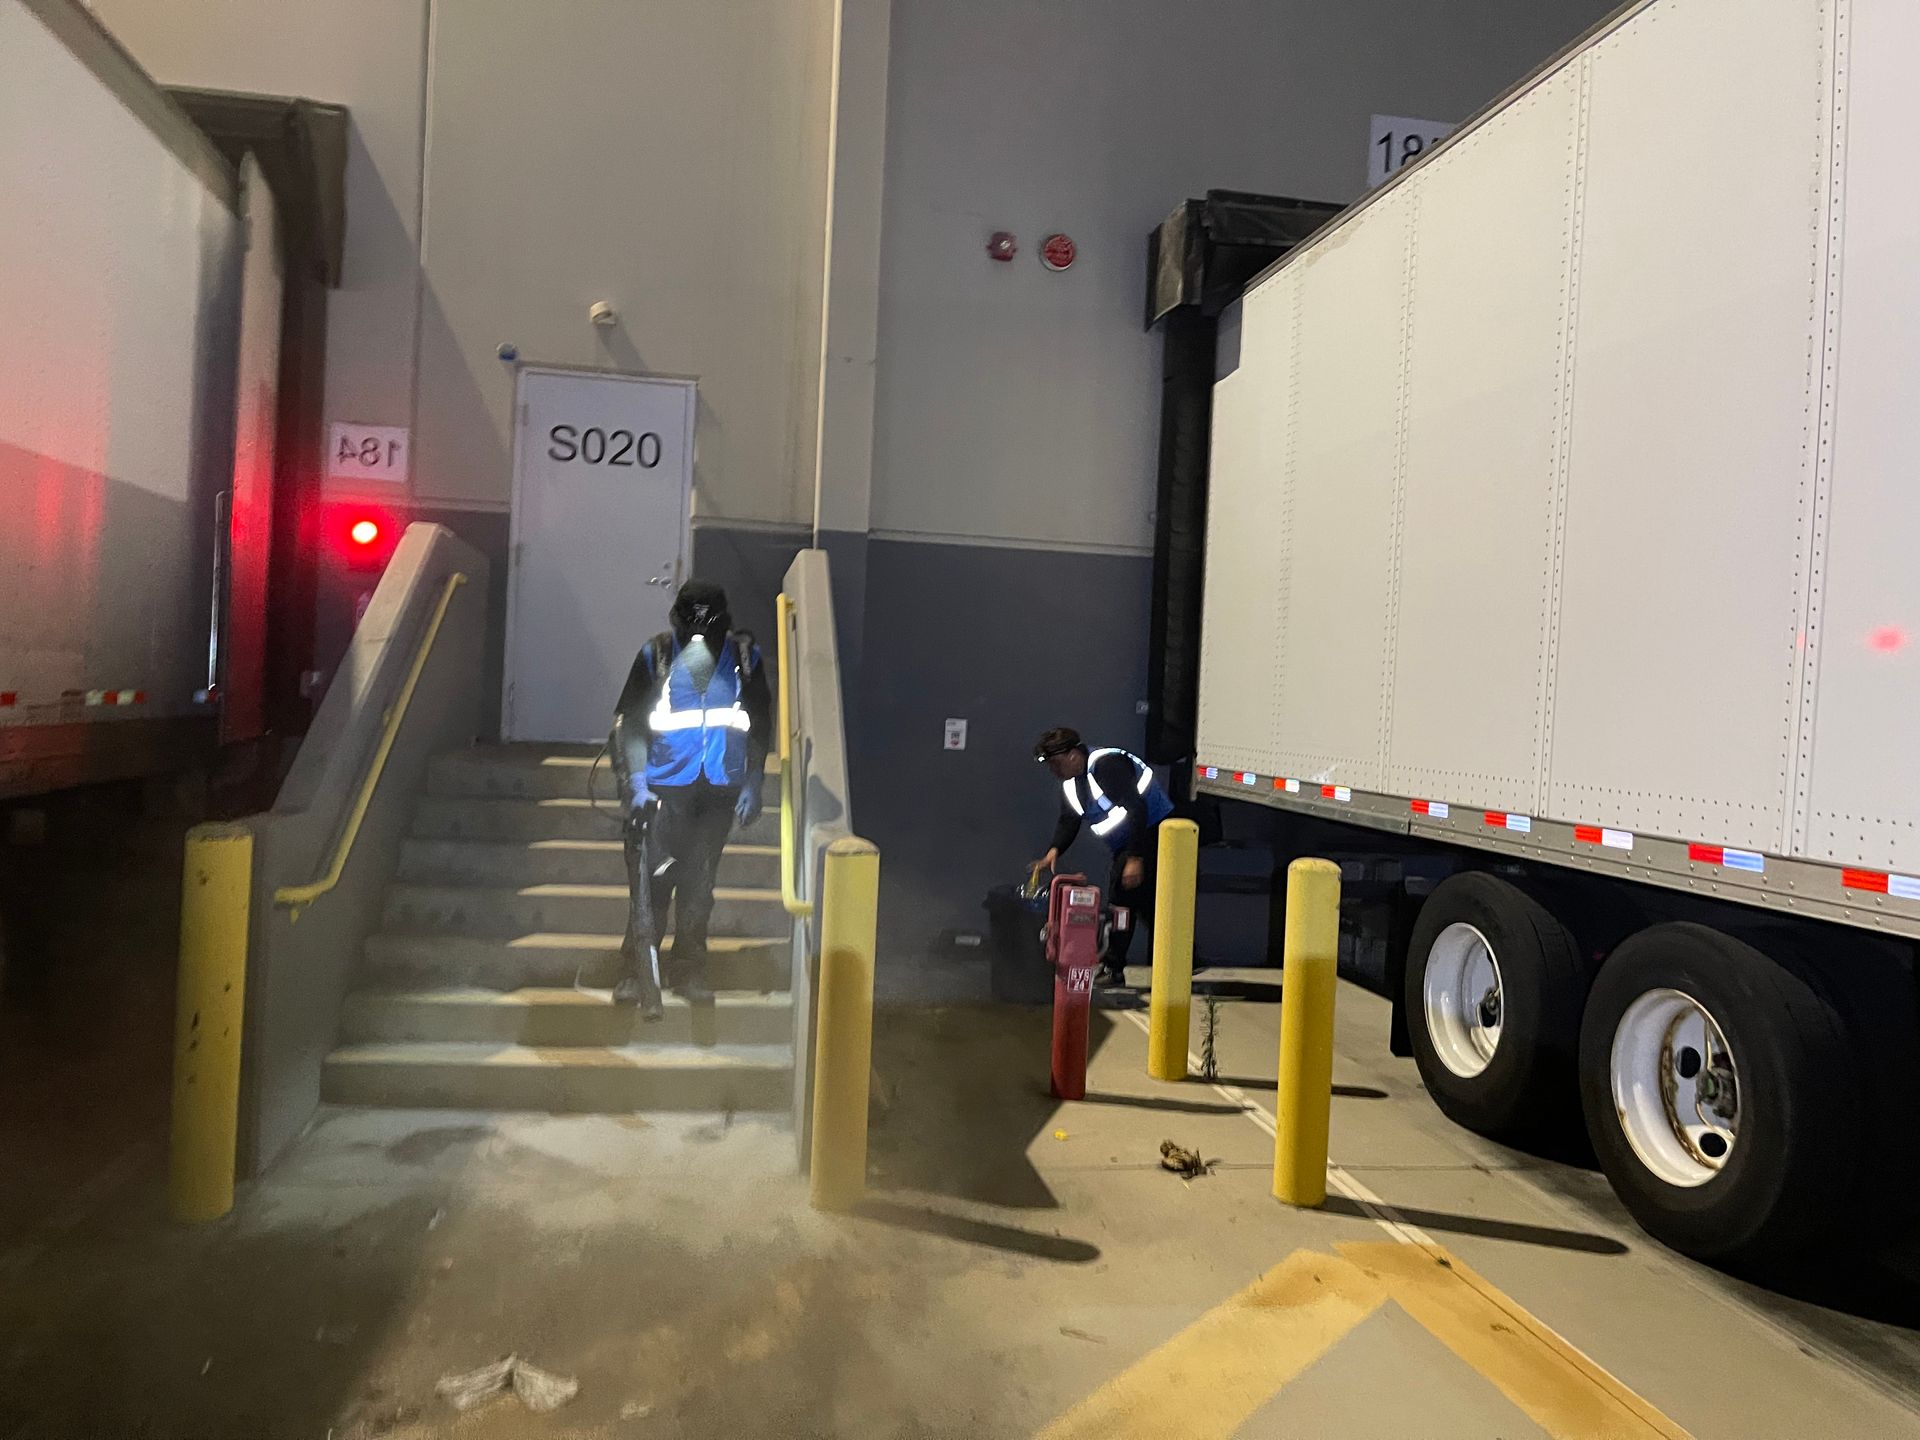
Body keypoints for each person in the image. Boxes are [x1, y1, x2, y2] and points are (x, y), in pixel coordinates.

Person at [609, 580, 771, 1014]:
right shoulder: (656, 655)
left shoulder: (743, 660)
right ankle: (635, 971)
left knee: (699, 887)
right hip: (662, 790)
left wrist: (755, 781)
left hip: (718, 791)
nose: (698, 639)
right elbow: (632, 725)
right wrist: (638, 784)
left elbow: (759, 726)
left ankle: (689, 970)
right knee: (654, 883)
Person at [1031, 726, 1174, 987]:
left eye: (1056, 763)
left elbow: (1137, 809)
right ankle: (1184, 958)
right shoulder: (1073, 784)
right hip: (1130, 844)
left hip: (1154, 835)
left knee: (1121, 901)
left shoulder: (1107, 766)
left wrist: (1134, 858)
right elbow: (1069, 819)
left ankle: (1113, 966)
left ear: (1074, 756)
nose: (1054, 770)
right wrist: (1054, 850)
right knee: (1144, 905)